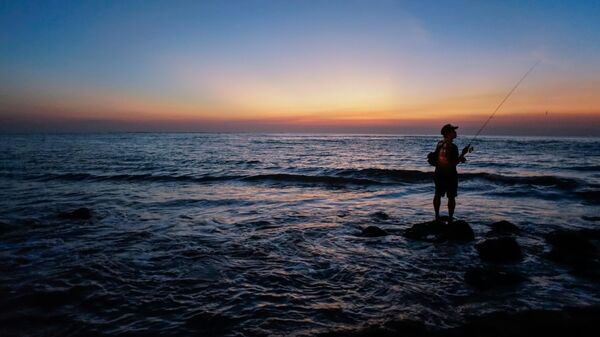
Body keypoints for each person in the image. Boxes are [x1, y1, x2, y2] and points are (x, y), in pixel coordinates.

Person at [433, 124, 470, 223]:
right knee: (451, 196)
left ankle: (436, 216)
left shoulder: (439, 144)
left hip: (438, 173)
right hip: (450, 174)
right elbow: (453, 163)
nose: (455, 133)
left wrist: (461, 156)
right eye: (453, 131)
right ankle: (450, 218)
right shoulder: (453, 147)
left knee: (437, 194)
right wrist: (463, 154)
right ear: (448, 133)